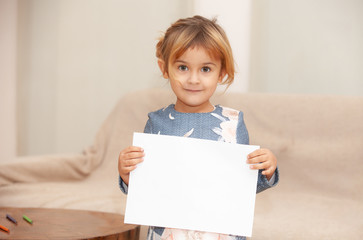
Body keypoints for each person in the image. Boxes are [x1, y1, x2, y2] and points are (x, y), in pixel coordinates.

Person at [118, 15, 279, 240]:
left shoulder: (232, 123)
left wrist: (266, 168)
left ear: (222, 72)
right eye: (182, 67)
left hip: (220, 233)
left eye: (205, 69)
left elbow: (243, 188)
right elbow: (148, 188)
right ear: (164, 69)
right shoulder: (156, 122)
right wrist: (127, 173)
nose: (193, 79)